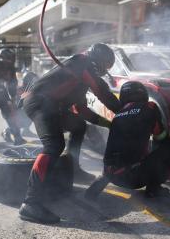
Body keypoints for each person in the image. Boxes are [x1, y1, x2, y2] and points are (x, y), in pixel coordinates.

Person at [19, 43, 121, 224]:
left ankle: (74, 168)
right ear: (99, 60)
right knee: (54, 145)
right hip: (40, 102)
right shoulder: (82, 63)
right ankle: (30, 203)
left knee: (78, 126)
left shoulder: (78, 77)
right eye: (106, 65)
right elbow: (102, 93)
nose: (105, 71)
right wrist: (124, 112)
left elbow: (81, 109)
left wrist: (109, 123)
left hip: (51, 105)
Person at [85, 81, 170, 201]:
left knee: (120, 158)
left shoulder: (118, 115)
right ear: (143, 94)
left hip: (111, 175)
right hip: (134, 179)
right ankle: (153, 189)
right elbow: (160, 136)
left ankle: (99, 183)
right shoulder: (149, 107)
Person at [1, 70, 39, 141]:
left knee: (31, 113)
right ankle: (6, 131)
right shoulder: (20, 89)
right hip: (14, 112)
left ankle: (26, 131)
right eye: (32, 80)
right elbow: (17, 103)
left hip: (20, 110)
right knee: (23, 119)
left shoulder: (28, 89)